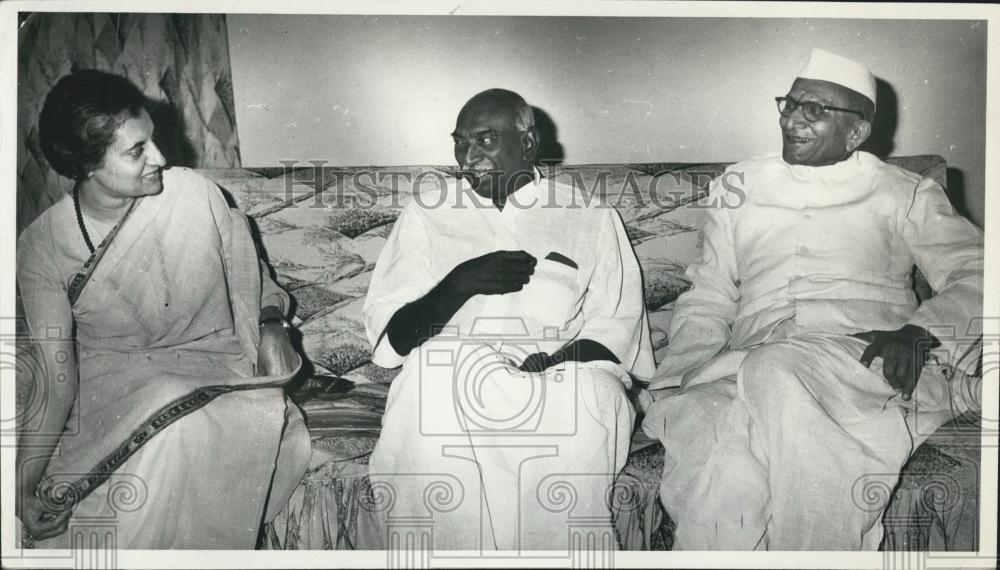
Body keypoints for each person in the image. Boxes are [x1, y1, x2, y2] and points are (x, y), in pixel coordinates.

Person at [641, 48, 984, 550]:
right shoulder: (738, 186)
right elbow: (709, 293)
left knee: (769, 382)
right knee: (724, 453)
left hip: (857, 357)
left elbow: (977, 268)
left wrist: (921, 332)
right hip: (743, 362)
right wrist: (676, 378)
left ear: (858, 132)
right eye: (790, 103)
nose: (791, 119)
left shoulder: (904, 192)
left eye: (814, 110)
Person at [16, 69, 312, 549]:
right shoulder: (43, 247)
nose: (161, 158)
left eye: (151, 139)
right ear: (87, 164)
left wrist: (272, 323)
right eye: (136, 151)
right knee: (166, 430)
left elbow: (252, 284)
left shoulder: (195, 195)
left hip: (222, 374)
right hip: (116, 397)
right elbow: (55, 376)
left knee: (185, 427)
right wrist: (21, 482)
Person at [362, 89, 654, 550]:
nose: (467, 156)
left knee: (589, 394)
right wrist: (459, 284)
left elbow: (618, 327)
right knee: (430, 376)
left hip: (561, 377)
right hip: (454, 377)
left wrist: (559, 359)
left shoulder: (589, 215)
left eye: (485, 140)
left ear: (529, 143)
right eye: (460, 142)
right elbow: (390, 342)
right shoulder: (427, 213)